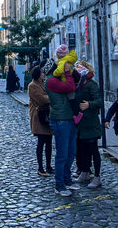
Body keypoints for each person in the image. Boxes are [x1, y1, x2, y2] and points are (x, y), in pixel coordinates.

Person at [44, 58, 80, 197]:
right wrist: (67, 72)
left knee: (71, 151)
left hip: (69, 117)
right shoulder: (51, 81)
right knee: (62, 153)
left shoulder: (58, 79)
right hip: (60, 119)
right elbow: (70, 87)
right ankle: (59, 184)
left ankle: (67, 179)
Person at [73, 60, 103, 188]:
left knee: (93, 150)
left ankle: (96, 177)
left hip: (90, 123)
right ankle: (84, 172)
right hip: (80, 124)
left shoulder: (91, 84)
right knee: (82, 150)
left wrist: (89, 105)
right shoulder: (77, 84)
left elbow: (99, 101)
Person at [28, 65, 53, 176]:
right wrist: (52, 97)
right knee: (41, 142)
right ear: (37, 74)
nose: (44, 75)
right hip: (39, 117)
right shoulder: (32, 85)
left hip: (47, 115)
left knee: (49, 143)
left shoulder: (43, 83)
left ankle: (48, 166)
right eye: (42, 73)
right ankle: (40, 167)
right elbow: (41, 99)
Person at [53, 45, 83, 125]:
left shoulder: (62, 61)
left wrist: (54, 73)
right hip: (73, 80)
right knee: (73, 97)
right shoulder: (70, 58)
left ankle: (76, 114)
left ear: (59, 55)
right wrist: (71, 51)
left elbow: (59, 71)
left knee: (71, 100)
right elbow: (74, 56)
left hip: (66, 80)